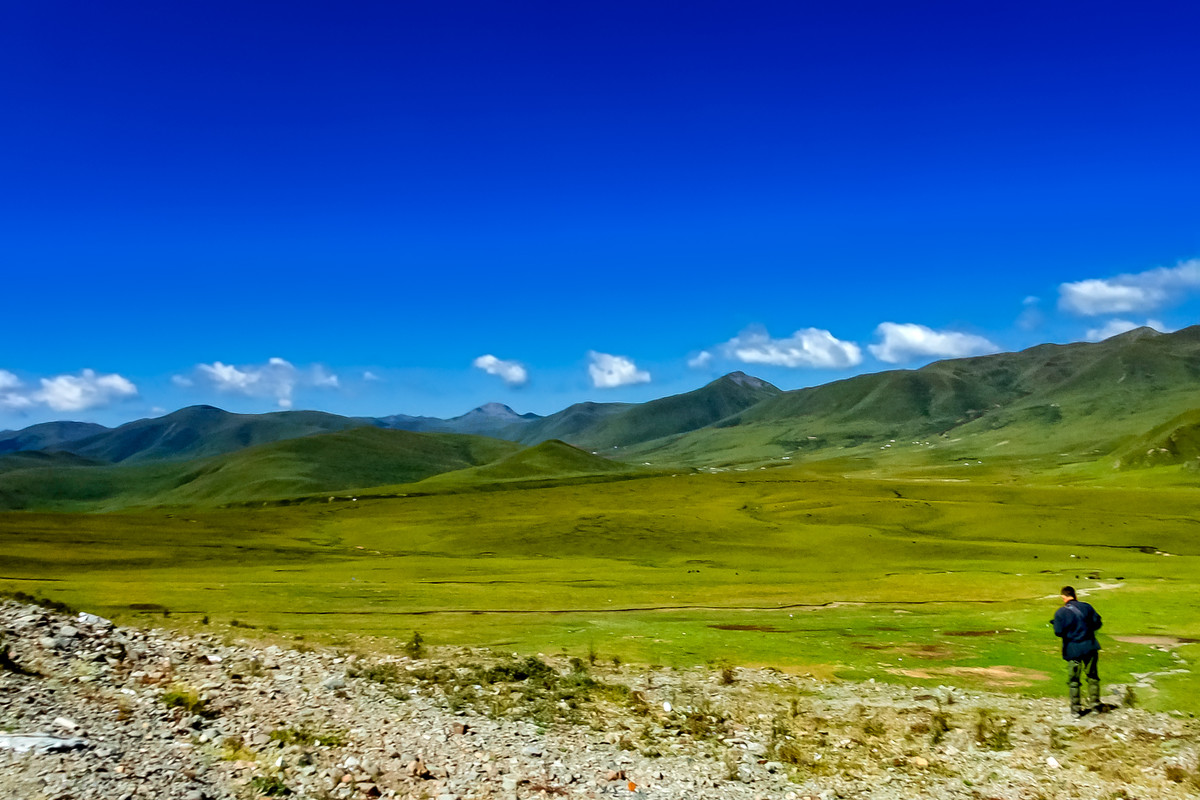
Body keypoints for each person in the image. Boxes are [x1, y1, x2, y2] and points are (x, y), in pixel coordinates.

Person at [1052, 585, 1103, 716]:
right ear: (1075, 595)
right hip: (1090, 646)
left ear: (1063, 597)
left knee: (1074, 681)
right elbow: (1097, 623)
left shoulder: (1060, 613)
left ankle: (1075, 710)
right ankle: (1095, 706)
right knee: (1093, 677)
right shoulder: (1087, 607)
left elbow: (1058, 632)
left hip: (1072, 650)